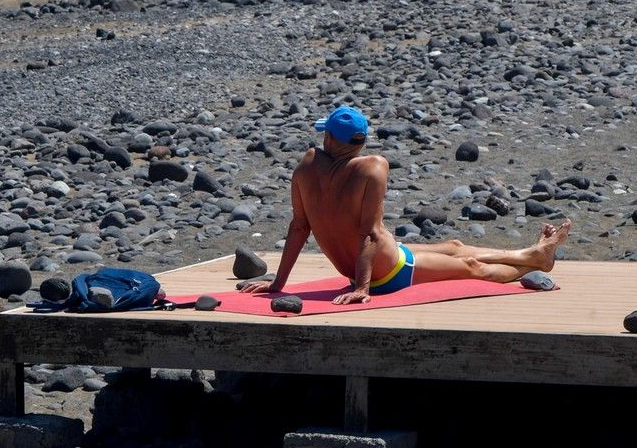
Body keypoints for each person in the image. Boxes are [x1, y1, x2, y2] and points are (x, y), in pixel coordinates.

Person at [242, 106, 571, 306]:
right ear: (359, 141)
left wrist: (278, 284)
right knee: (472, 268)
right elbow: (369, 234)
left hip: (380, 259)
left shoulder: (305, 166)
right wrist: (362, 287)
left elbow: (299, 227)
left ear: (329, 138)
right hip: (388, 271)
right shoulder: (372, 167)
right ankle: (534, 261)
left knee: (455, 246)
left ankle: (530, 255)